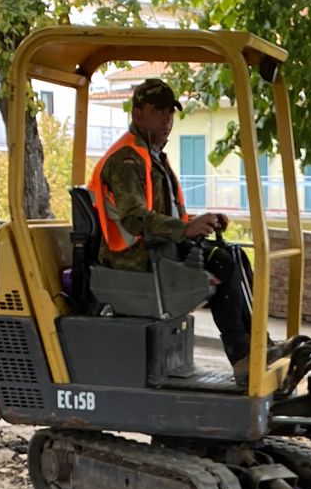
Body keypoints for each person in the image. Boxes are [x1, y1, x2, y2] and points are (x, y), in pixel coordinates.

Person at [88, 76, 266, 380]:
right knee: (223, 262)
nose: (166, 119)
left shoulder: (151, 156)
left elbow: (165, 214)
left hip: (159, 247)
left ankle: (257, 347)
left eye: (170, 112)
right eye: (158, 111)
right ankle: (243, 357)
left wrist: (200, 221)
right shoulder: (127, 160)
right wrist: (185, 230)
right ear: (138, 113)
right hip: (135, 259)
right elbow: (134, 218)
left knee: (234, 255)